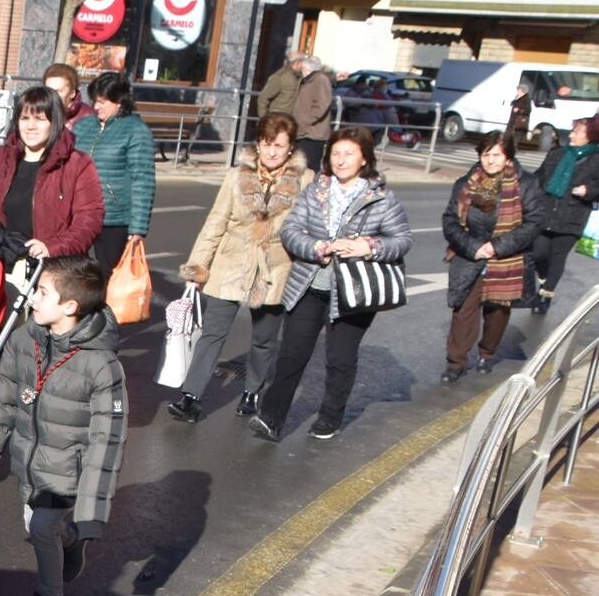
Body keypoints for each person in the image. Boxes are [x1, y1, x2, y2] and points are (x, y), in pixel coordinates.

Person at [0, 257, 127, 596]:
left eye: (42, 292)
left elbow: (107, 441)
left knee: (40, 528)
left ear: (70, 307)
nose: (32, 298)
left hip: (71, 469)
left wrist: (91, 514)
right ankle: (70, 541)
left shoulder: (102, 366)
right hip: (30, 462)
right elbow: (2, 404)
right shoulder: (23, 340)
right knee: (38, 527)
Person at [252, 125, 413, 442]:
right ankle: (271, 418)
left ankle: (330, 416)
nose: (341, 159)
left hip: (352, 291)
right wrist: (316, 248)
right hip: (310, 283)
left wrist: (368, 246)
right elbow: (291, 230)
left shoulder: (381, 198)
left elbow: (402, 240)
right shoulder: (316, 190)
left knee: (340, 359)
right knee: (292, 354)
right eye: (336, 153)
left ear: (364, 158)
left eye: (349, 153)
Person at [171, 114, 312, 422]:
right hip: (231, 262)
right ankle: (191, 397)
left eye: (279, 145)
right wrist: (198, 268)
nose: (271, 152)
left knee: (263, 339)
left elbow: (308, 229)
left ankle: (252, 391)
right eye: (265, 143)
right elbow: (215, 222)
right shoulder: (237, 176)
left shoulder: (305, 180)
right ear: (257, 144)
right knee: (212, 333)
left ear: (290, 149)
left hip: (275, 268)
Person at [440, 130, 545, 383]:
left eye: (496, 155)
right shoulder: (465, 183)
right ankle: (456, 362)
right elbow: (450, 221)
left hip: (506, 256)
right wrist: (474, 246)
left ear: (508, 157)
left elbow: (534, 222)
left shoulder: (525, 184)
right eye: (486, 154)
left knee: (497, 311)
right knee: (463, 308)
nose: (490, 160)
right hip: (470, 254)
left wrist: (497, 247)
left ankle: (487, 352)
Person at [0, 84, 106, 274]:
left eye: (40, 119)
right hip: (2, 264)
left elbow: (90, 219)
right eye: (25, 118)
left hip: (53, 270)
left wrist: (51, 248)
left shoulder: (77, 164)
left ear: (55, 122)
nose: (30, 126)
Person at [70, 72, 154, 272]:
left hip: (113, 218)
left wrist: (138, 228)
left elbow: (142, 181)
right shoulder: (82, 127)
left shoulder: (136, 130)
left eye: (103, 102)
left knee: (109, 274)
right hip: (79, 213)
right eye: (94, 101)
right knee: (73, 271)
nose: (96, 107)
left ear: (120, 101)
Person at [530, 115, 598, 316]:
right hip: (546, 214)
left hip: (573, 217)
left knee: (558, 256)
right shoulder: (557, 154)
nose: (571, 135)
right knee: (539, 252)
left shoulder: (596, 160)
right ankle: (543, 278)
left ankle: (545, 296)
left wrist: (589, 191)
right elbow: (538, 177)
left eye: (576, 132)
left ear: (591, 136)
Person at [292, 52, 335, 173]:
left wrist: (305, 121)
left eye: (303, 68)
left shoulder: (320, 80)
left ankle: (310, 189)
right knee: (301, 164)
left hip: (313, 133)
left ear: (308, 68)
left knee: (310, 166)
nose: (302, 71)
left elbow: (321, 106)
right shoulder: (310, 80)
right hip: (305, 131)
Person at [257, 52, 303, 120]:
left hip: (289, 120)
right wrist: (265, 118)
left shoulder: (299, 78)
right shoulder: (280, 77)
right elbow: (263, 98)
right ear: (297, 63)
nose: (303, 66)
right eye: (302, 63)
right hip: (276, 120)